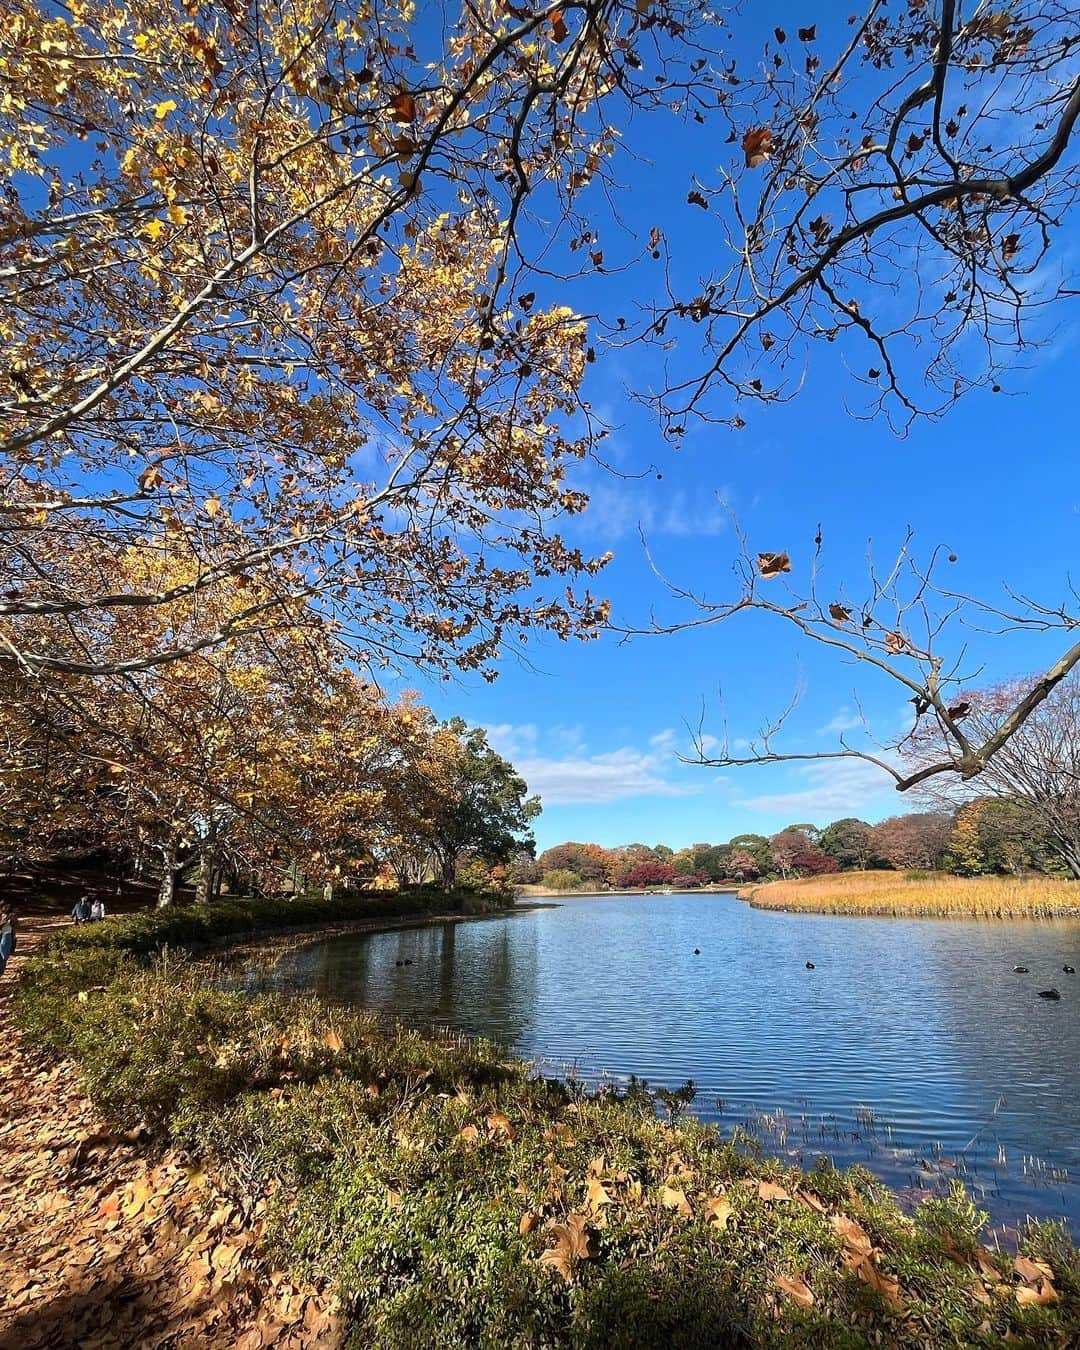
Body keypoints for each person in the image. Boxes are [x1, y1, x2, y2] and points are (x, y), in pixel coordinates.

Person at [0, 909, 15, 978]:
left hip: (6, 936)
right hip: (4, 936)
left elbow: (14, 927)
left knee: (4, 956)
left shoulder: (9, 917)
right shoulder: (4, 917)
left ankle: (1, 971)